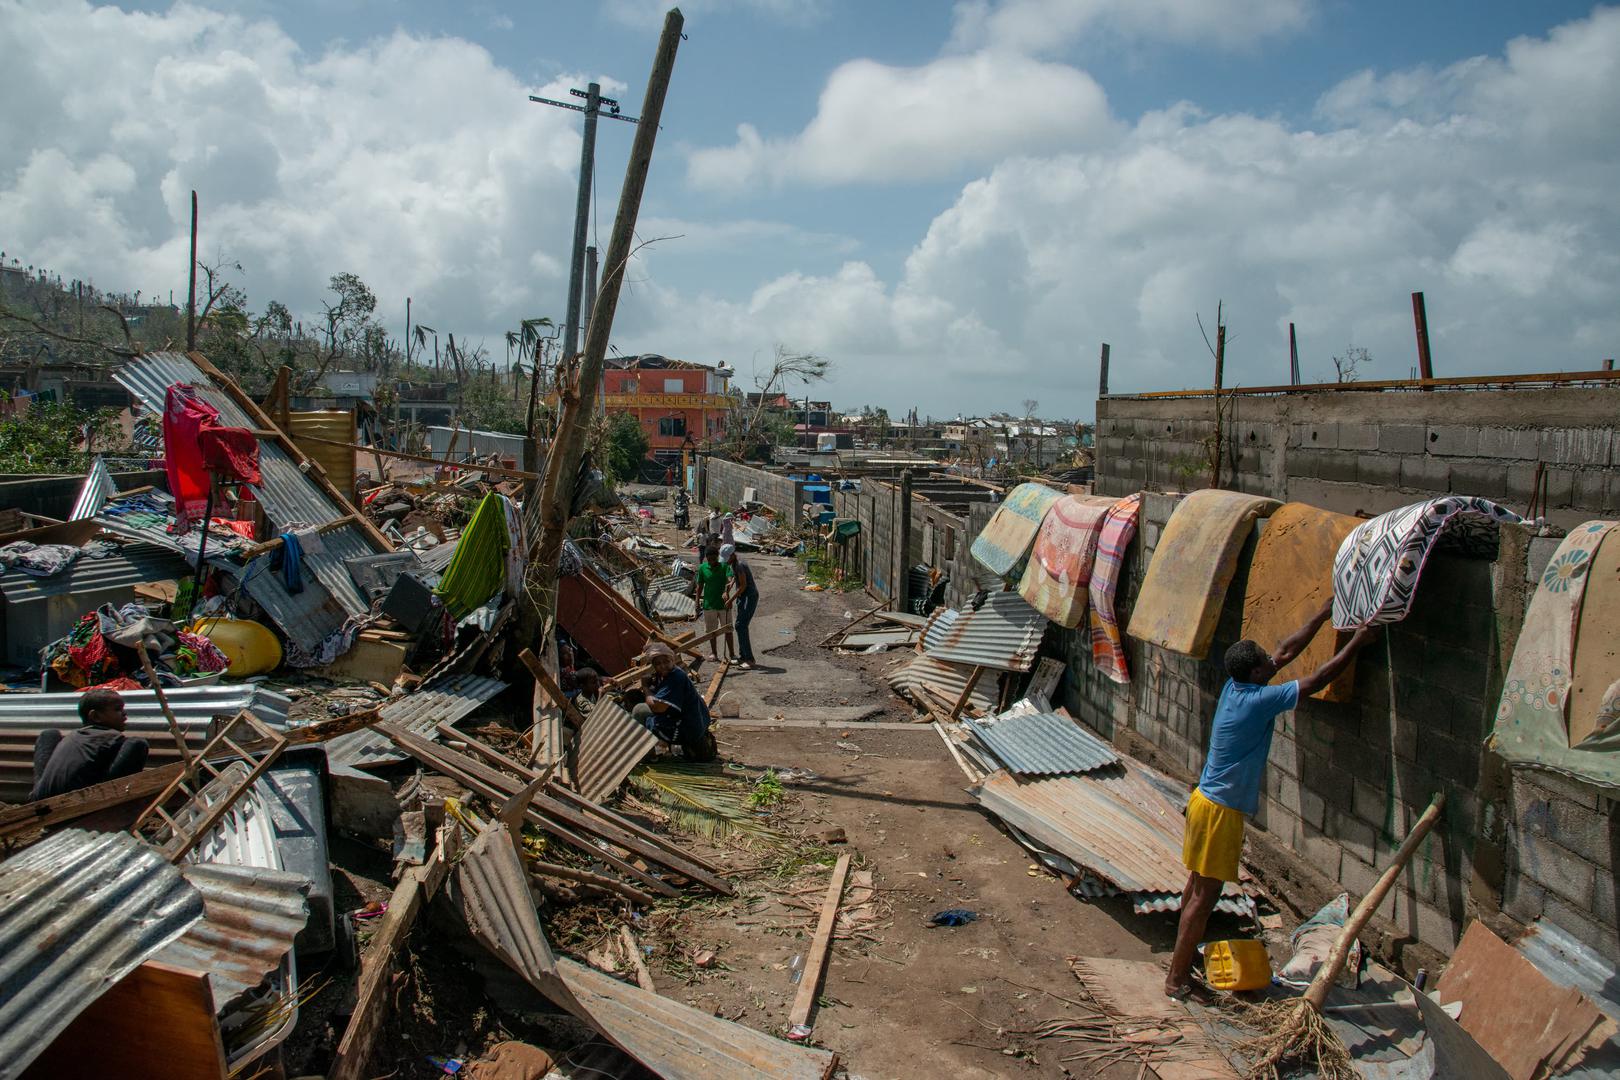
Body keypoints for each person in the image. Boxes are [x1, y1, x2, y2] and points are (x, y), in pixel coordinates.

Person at [1165, 600, 1379, 998]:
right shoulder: (1257, 701)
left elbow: (1285, 650)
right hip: (1220, 813)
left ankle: (1182, 964)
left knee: (1195, 888)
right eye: (1265, 661)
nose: (1272, 659)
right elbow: (1315, 681)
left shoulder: (1238, 686)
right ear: (1256, 672)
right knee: (1204, 897)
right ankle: (1176, 978)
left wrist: (1324, 613)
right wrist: (1358, 643)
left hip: (1205, 803)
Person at [30, 688, 150, 801]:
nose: (124, 713)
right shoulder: (110, 737)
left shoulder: (75, 735)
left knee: (49, 734)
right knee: (138, 743)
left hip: (40, 799)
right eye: (117, 709)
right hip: (75, 804)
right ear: (95, 716)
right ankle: (108, 807)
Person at [631, 642, 717, 761]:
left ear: (672, 660)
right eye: (658, 664)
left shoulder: (676, 677)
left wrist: (645, 687)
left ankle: (648, 756)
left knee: (639, 711)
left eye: (666, 662)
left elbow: (657, 707)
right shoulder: (671, 673)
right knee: (642, 706)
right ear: (654, 666)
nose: (663, 666)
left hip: (688, 728)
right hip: (697, 722)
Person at [691, 541, 734, 662]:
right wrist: (697, 604)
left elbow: (730, 580)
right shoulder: (703, 568)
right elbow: (699, 587)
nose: (712, 561)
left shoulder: (724, 566)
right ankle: (714, 653)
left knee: (728, 630)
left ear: (717, 557)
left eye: (714, 559)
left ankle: (732, 654)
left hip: (724, 605)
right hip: (709, 605)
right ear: (706, 558)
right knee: (712, 632)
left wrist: (728, 587)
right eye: (709, 559)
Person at [723, 543, 759, 670]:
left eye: (727, 558)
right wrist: (731, 583)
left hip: (748, 596)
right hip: (743, 597)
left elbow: (743, 585)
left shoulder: (739, 565)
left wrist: (730, 600)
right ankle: (743, 656)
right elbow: (736, 578)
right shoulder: (735, 563)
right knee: (740, 626)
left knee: (741, 625)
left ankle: (749, 659)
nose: (726, 561)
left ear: (732, 555)